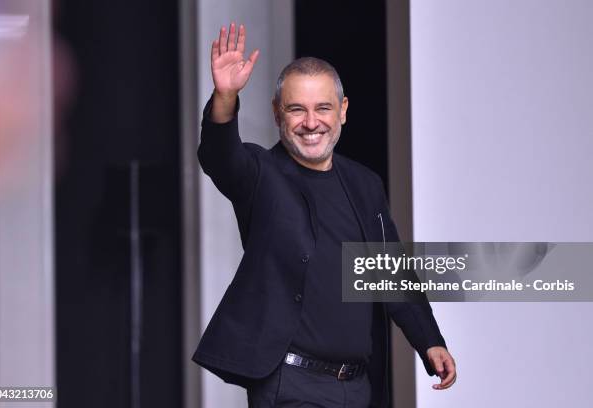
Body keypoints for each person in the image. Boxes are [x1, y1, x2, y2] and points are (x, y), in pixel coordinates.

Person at [193, 23, 456, 407]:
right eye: (297, 109)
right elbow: (219, 155)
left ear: (343, 112)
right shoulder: (260, 174)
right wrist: (224, 97)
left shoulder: (365, 184)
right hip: (290, 384)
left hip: (358, 386)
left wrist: (430, 341)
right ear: (276, 113)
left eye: (323, 108)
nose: (311, 122)